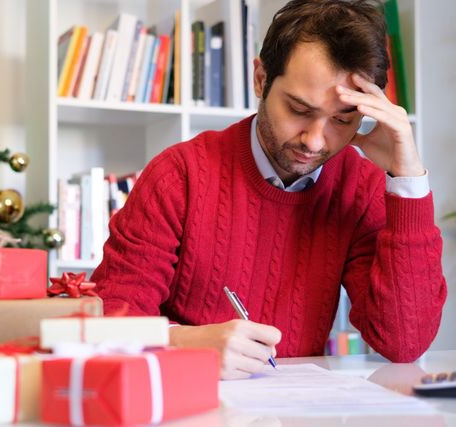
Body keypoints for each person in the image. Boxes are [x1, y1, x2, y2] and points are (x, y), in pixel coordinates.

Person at [91, 0, 447, 379]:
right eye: (299, 109)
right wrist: (186, 343)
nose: (314, 141)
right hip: (190, 401)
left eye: (342, 121)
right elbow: (111, 317)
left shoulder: (360, 187)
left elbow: (404, 342)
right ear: (260, 79)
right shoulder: (179, 175)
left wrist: (406, 179)